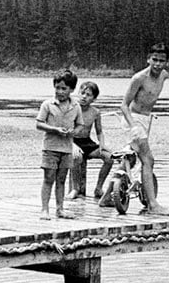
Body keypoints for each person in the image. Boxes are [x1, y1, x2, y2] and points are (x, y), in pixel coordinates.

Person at [122, 42, 169, 215]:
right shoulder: (139, 78)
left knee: (129, 159)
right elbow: (124, 105)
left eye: (162, 61)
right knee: (148, 159)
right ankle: (152, 204)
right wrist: (133, 126)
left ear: (167, 62)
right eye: (155, 60)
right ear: (148, 60)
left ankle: (108, 196)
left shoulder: (164, 75)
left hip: (145, 119)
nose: (157, 64)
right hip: (133, 119)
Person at [37, 71, 82, 220]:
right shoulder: (47, 104)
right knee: (48, 178)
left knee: (61, 179)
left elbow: (80, 125)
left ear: (71, 90)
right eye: (57, 88)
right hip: (50, 147)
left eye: (64, 88)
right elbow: (39, 124)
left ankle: (60, 209)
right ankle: (44, 209)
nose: (60, 91)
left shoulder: (76, 106)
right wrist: (55, 129)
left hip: (66, 148)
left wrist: (73, 132)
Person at [67, 81, 113, 200]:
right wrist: (72, 145)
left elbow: (99, 131)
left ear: (93, 98)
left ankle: (98, 188)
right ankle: (75, 188)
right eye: (82, 93)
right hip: (72, 141)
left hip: (87, 142)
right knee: (77, 157)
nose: (84, 97)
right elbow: (66, 130)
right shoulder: (71, 108)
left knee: (109, 158)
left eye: (88, 95)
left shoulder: (95, 112)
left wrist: (102, 144)